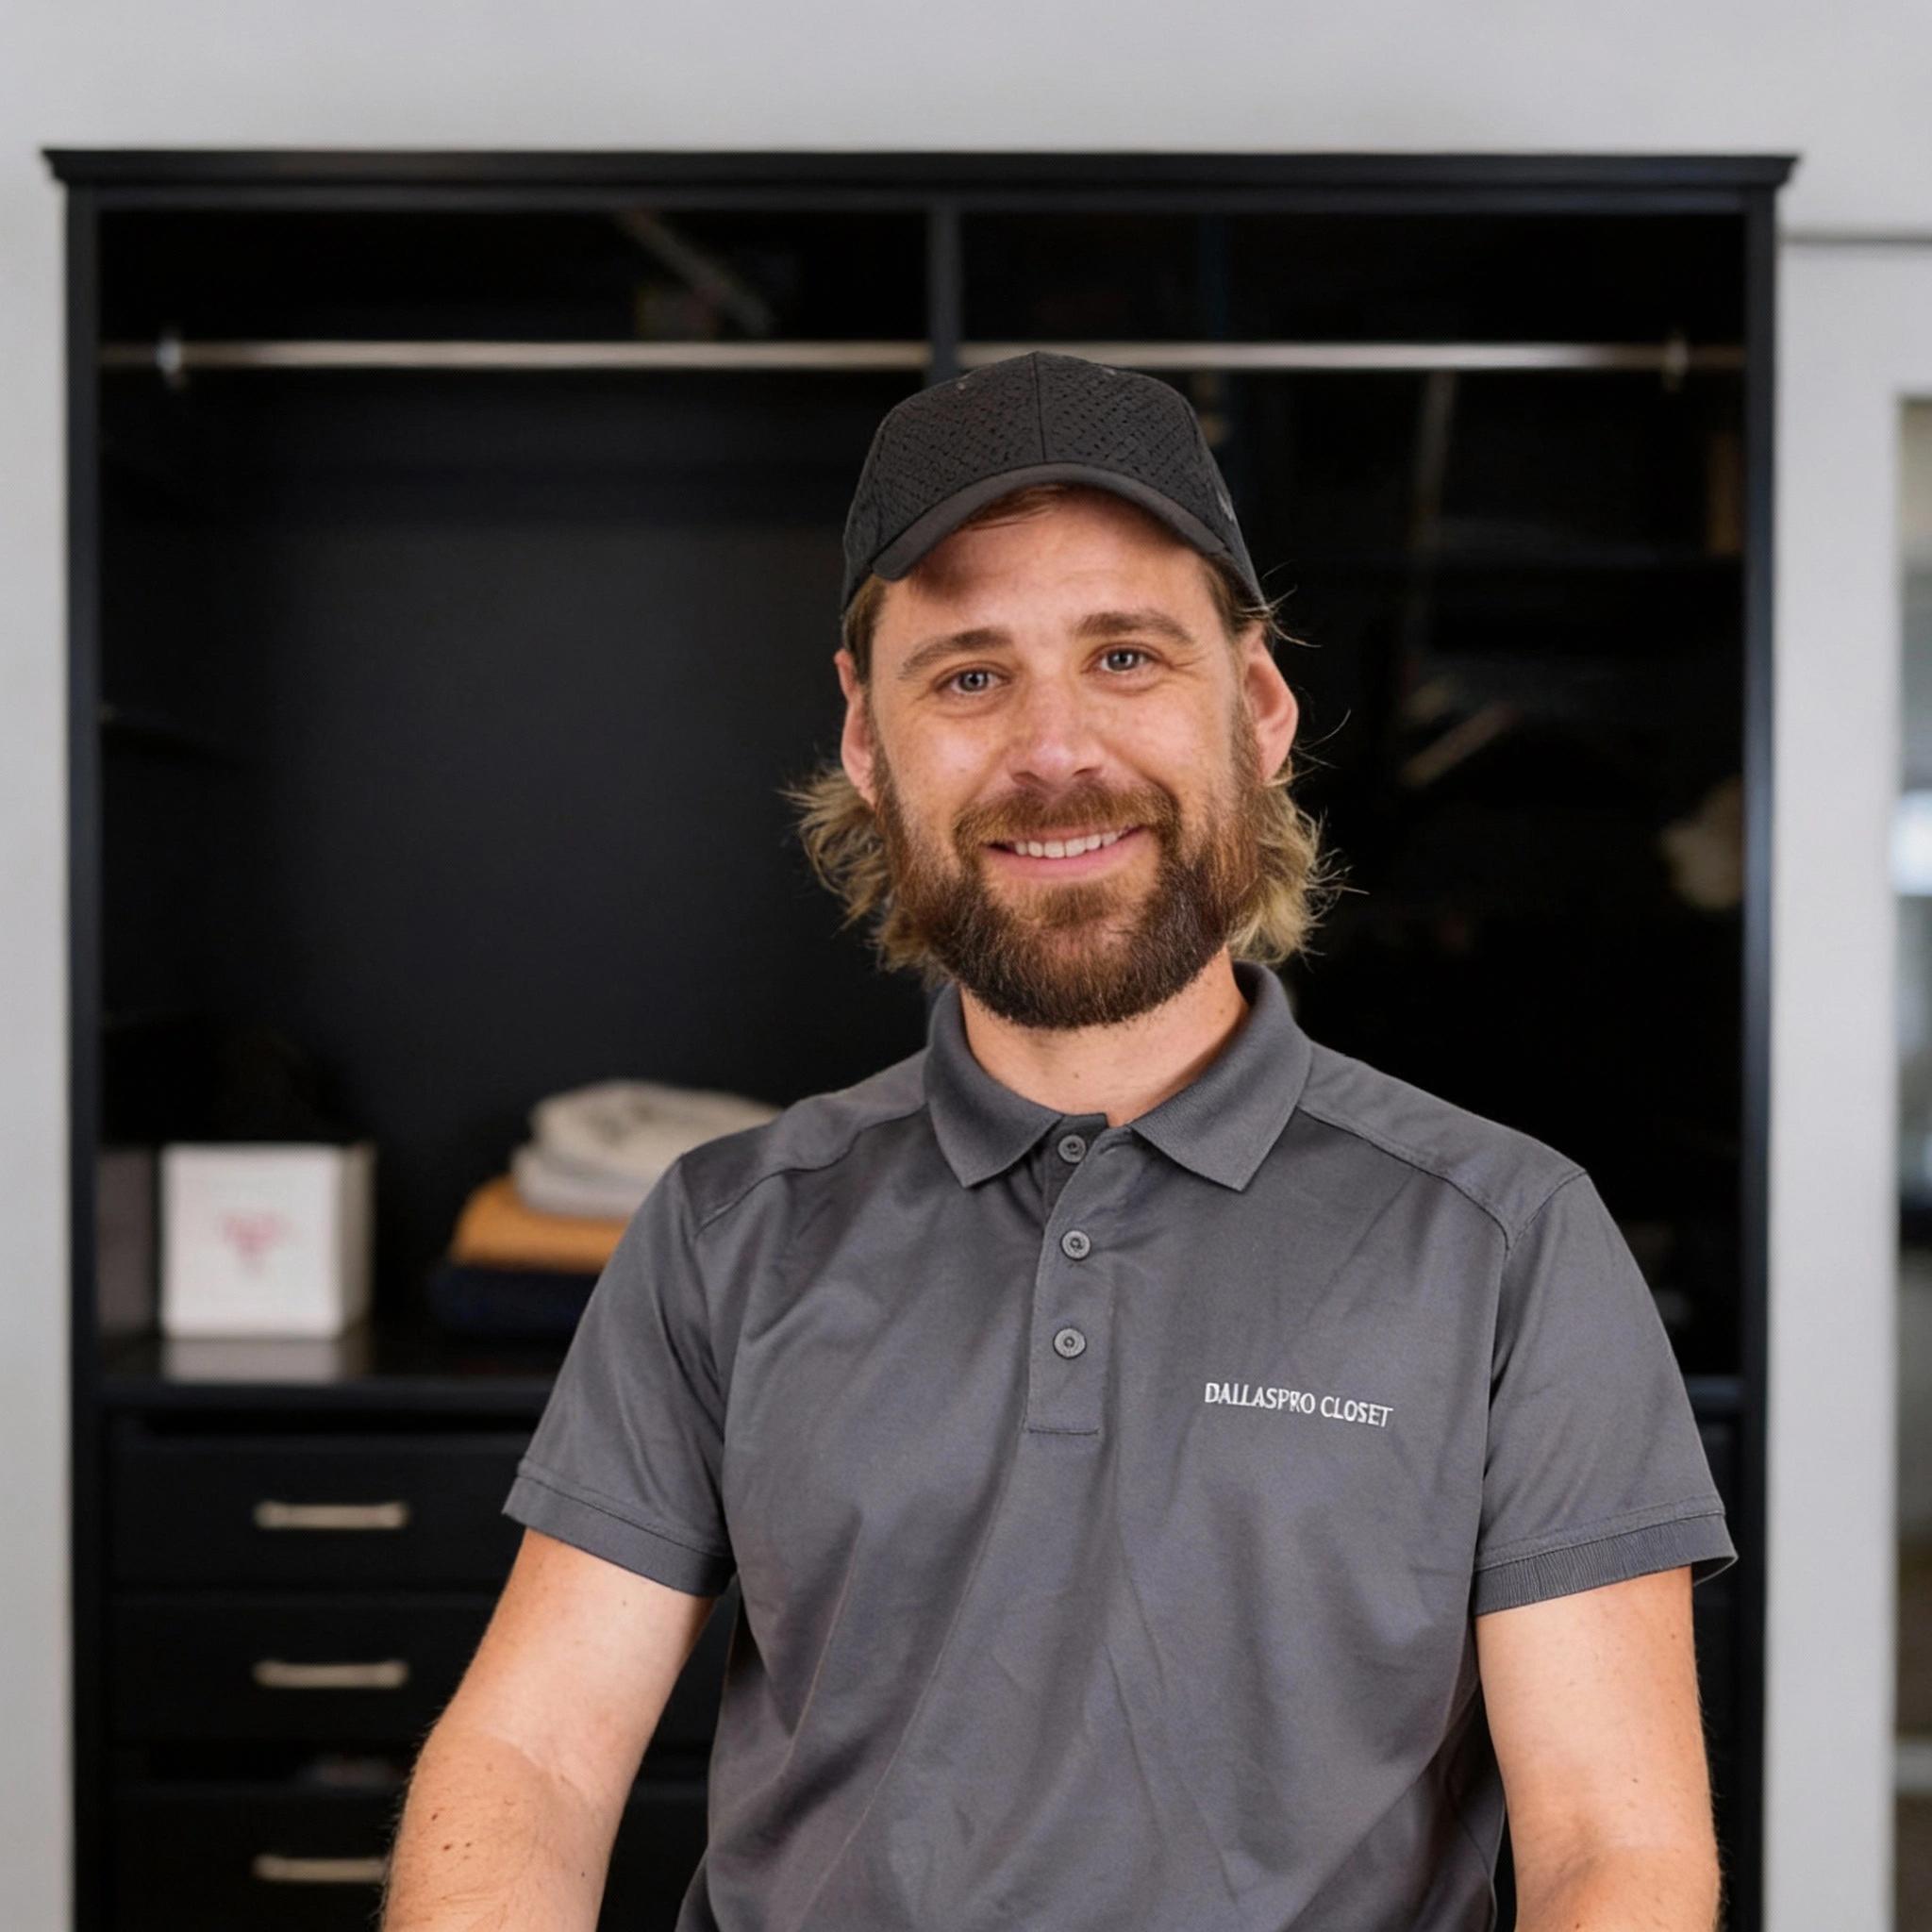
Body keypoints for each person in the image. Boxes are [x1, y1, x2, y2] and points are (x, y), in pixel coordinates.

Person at [383, 353, 1732, 1932]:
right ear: (869, 743)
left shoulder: (1504, 1239)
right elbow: (533, 1758)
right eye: (967, 675)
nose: (1054, 751)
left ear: (1261, 707)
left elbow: (1612, 1853)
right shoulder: (726, 1230)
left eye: (1126, 657)